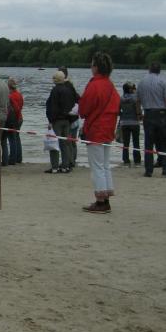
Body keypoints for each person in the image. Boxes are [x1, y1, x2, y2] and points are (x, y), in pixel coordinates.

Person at [78, 52, 120, 214]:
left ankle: (101, 201)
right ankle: (106, 198)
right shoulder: (110, 85)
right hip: (108, 129)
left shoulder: (95, 85)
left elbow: (84, 109)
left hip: (96, 129)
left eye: (92, 64)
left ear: (96, 67)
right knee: (104, 165)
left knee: (97, 167)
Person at [136, 62, 166, 178]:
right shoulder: (163, 81)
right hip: (162, 114)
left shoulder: (142, 82)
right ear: (160, 70)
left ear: (149, 69)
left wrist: (139, 114)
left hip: (148, 114)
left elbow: (137, 101)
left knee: (149, 143)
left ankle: (148, 171)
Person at [44, 71, 79, 174]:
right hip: (67, 120)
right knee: (65, 144)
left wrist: (50, 120)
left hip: (57, 120)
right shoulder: (68, 90)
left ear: (55, 80)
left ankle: (55, 167)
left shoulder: (55, 90)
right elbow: (74, 104)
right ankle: (65, 166)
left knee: (53, 143)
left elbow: (52, 106)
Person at [118, 82, 141, 166]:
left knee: (126, 143)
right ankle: (137, 160)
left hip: (124, 122)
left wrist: (123, 115)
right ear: (130, 89)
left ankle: (126, 160)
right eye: (132, 88)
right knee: (136, 142)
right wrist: (139, 116)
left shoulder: (121, 98)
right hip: (134, 122)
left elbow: (118, 110)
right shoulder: (135, 98)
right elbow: (138, 109)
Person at [5, 78, 24, 165]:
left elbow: (14, 109)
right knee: (17, 137)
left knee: (12, 138)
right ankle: (18, 157)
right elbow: (21, 106)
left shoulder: (11, 96)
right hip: (20, 118)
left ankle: (12, 158)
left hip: (14, 119)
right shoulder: (19, 94)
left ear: (8, 86)